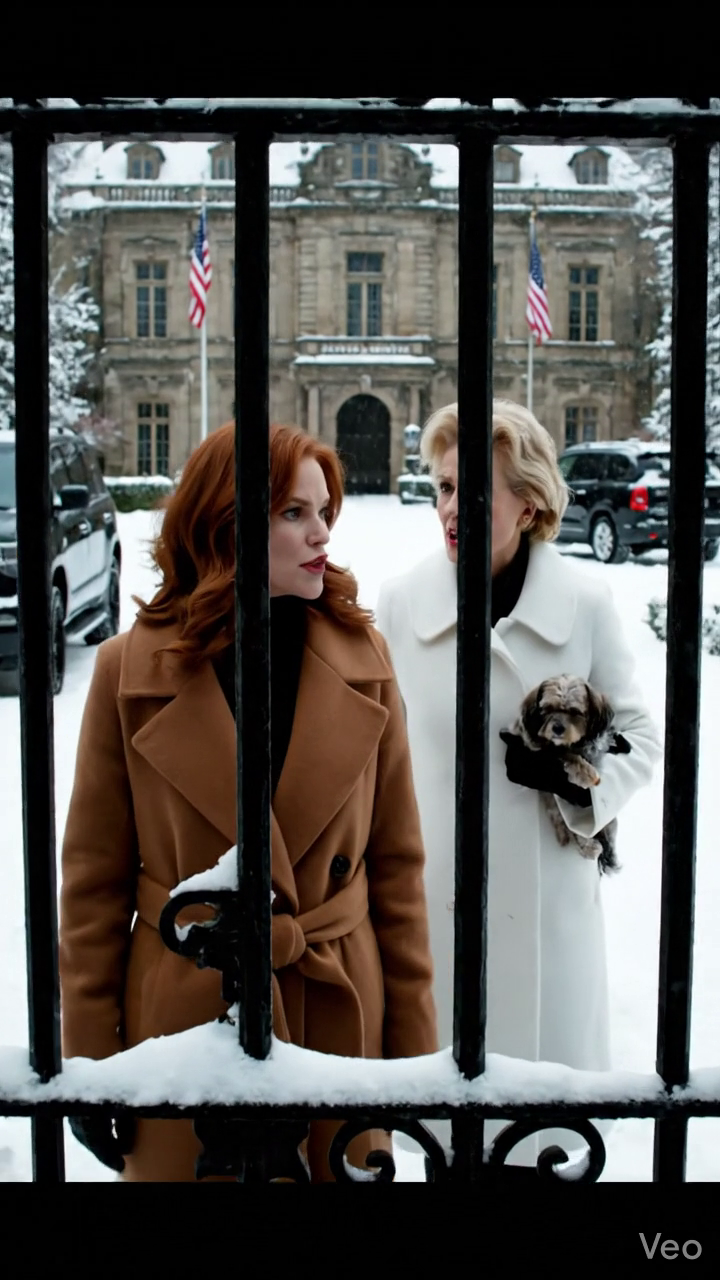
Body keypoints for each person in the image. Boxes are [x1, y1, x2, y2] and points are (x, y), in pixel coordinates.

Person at [59, 421, 437, 1183]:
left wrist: (414, 1064)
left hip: (336, 1009)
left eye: (325, 511)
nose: (322, 532)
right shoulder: (125, 672)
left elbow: (397, 874)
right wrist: (92, 1065)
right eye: (294, 513)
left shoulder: (365, 661)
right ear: (227, 521)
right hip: (184, 1021)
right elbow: (92, 892)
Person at [375, 399, 662, 1162]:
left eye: (472, 490)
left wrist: (576, 785)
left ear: (526, 502)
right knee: (443, 1146)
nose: (449, 508)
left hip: (549, 924)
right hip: (435, 911)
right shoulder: (403, 605)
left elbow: (641, 738)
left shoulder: (586, 603)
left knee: (538, 1147)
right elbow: (371, 757)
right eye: (440, 487)